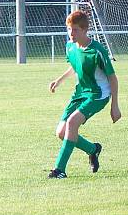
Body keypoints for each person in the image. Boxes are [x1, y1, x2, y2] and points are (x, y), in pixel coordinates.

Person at [48, 10, 122, 178]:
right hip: (80, 92)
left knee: (72, 123)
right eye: (69, 29)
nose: (71, 33)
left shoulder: (97, 51)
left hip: (98, 94)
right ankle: (93, 149)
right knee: (61, 132)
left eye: (75, 30)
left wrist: (115, 105)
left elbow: (113, 78)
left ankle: (59, 170)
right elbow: (76, 66)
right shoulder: (70, 46)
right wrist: (59, 80)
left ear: (84, 30)